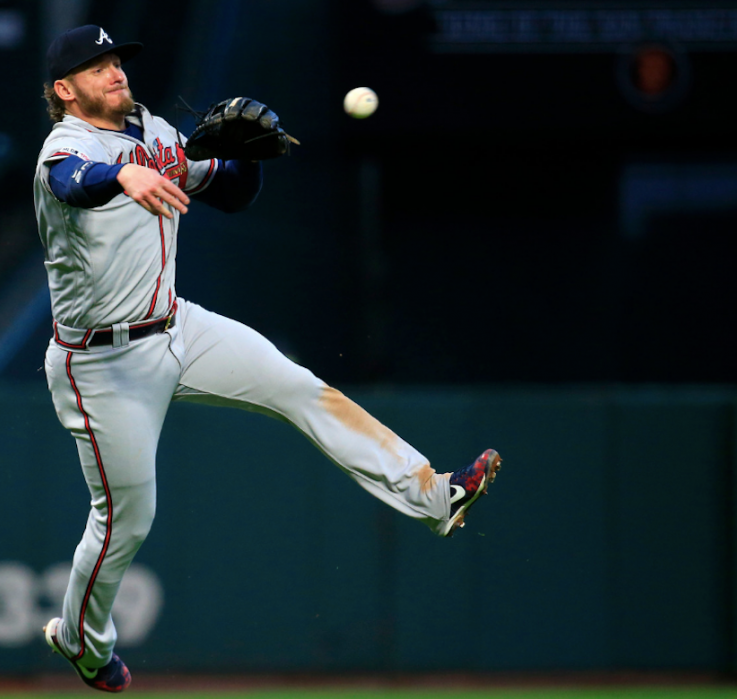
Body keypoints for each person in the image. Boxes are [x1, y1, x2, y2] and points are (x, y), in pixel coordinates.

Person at [34, 24, 502, 693]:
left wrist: (245, 157)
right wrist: (123, 174)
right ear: (64, 89)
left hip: (176, 325)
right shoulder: (67, 145)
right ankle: (81, 640)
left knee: (300, 386)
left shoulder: (159, 130)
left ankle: (435, 493)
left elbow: (229, 192)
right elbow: (75, 182)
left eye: (116, 59)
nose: (113, 70)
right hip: (100, 365)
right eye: (95, 64)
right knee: (127, 518)